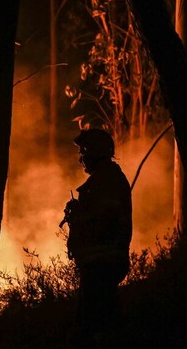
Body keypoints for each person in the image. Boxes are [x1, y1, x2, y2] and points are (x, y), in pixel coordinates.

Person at [63, 128, 132, 345]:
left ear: (97, 151)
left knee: (89, 327)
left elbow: (103, 222)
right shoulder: (105, 180)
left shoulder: (106, 181)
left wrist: (80, 214)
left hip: (101, 265)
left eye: (84, 150)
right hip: (99, 264)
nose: (81, 157)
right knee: (104, 323)